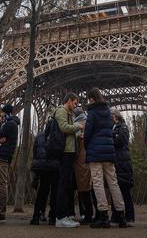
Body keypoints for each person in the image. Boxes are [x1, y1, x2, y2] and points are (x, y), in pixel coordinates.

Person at [84, 88, 126, 229]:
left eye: (89, 99)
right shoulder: (109, 112)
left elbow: (88, 132)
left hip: (95, 152)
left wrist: (86, 145)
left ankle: (103, 216)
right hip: (109, 151)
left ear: (93, 99)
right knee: (113, 182)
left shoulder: (92, 112)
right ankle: (121, 215)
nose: (89, 101)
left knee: (98, 183)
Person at [53, 92, 82, 228]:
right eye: (75, 103)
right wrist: (78, 126)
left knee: (66, 184)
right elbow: (63, 128)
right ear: (69, 101)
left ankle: (64, 215)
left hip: (69, 151)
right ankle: (60, 217)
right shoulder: (61, 111)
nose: (76, 106)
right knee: (63, 184)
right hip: (64, 152)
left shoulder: (68, 113)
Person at [30, 118, 59, 225]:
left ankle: (36, 216)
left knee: (42, 192)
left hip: (42, 168)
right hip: (55, 168)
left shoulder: (39, 137)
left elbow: (35, 153)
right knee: (54, 193)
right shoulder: (58, 137)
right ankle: (52, 217)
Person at [111, 109, 135, 226]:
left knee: (124, 191)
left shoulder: (123, 127)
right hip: (117, 162)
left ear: (115, 116)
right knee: (115, 191)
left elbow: (121, 140)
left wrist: (110, 138)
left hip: (123, 163)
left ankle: (129, 217)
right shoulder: (114, 128)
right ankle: (116, 217)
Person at [73, 107, 95, 224]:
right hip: (90, 158)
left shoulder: (77, 124)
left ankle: (87, 215)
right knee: (91, 188)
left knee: (83, 188)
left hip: (81, 160)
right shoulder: (89, 122)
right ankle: (95, 214)